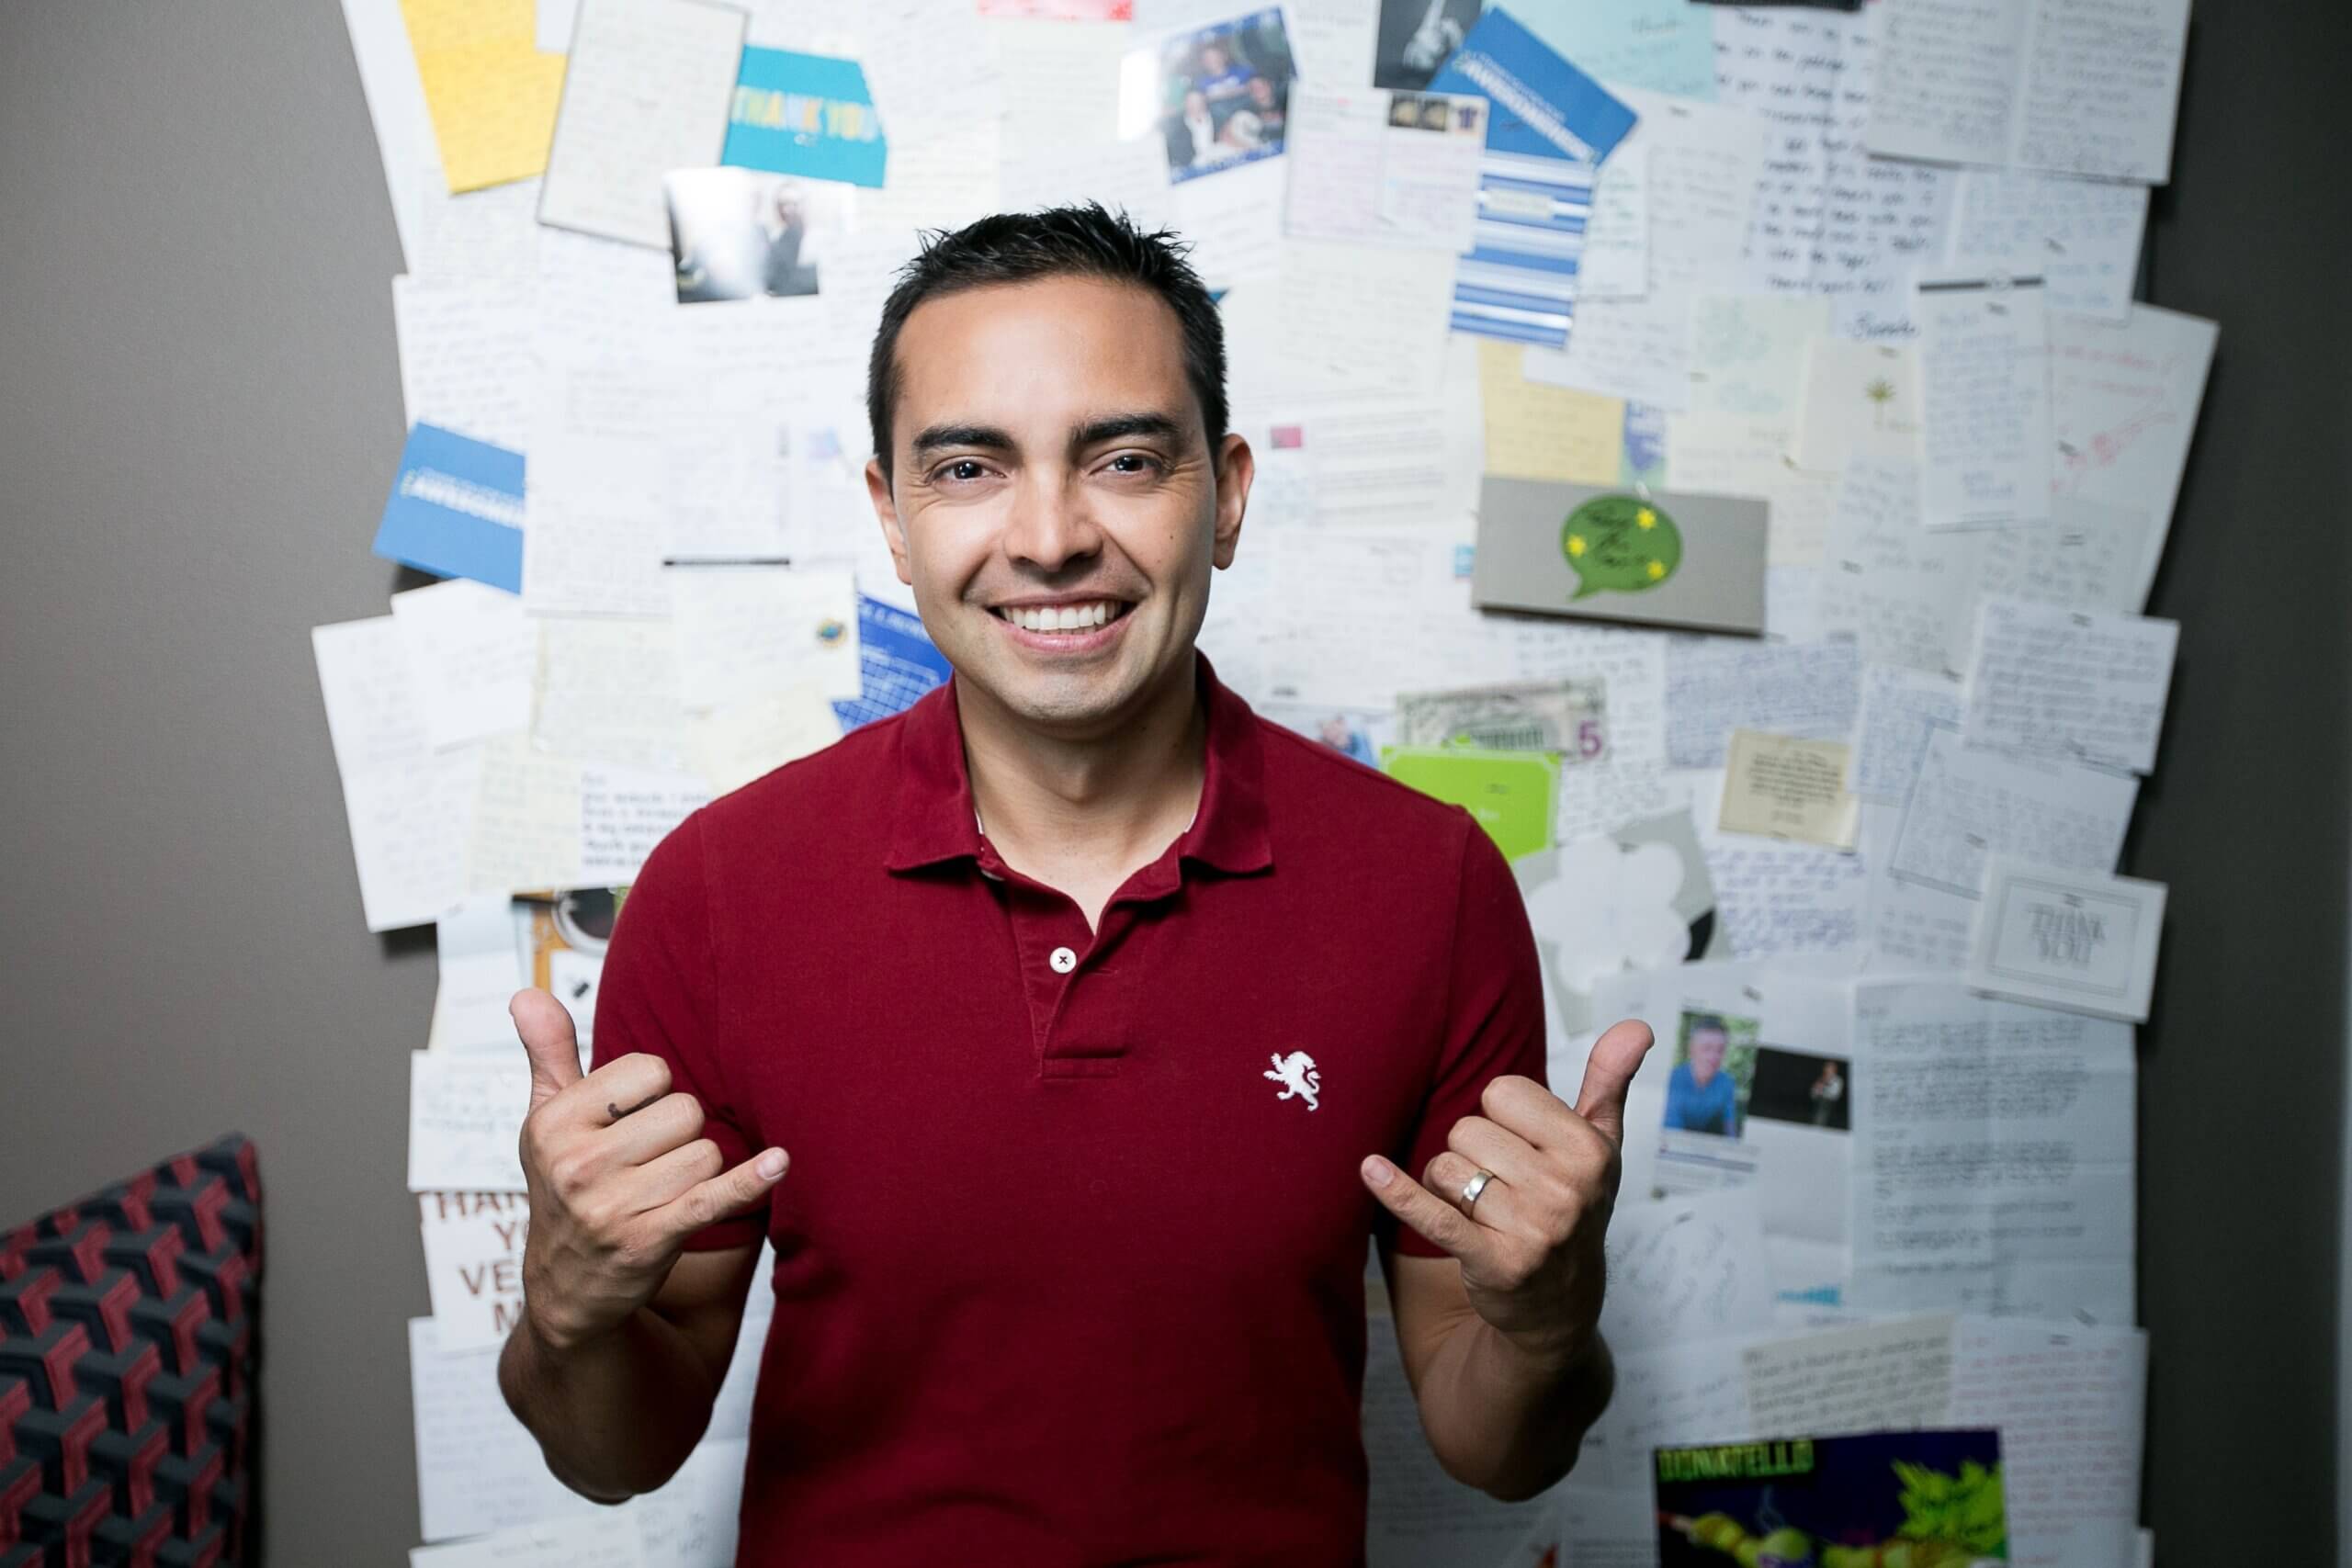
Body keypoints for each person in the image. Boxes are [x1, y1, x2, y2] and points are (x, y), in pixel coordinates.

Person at [496, 204, 1655, 1563]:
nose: (1049, 536)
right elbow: (614, 1454)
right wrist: (566, 1309)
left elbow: (1494, 1444)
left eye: (1123, 457)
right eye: (971, 465)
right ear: (891, 513)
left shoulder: (1429, 882)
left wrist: (1549, 1326)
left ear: (1224, 494)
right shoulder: (718, 889)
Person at [1662, 1015, 1741, 1137]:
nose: (1714, 1057)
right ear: (1692, 1049)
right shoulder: (1672, 1079)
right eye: (1706, 1048)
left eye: (1720, 1050)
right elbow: (1671, 1132)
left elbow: (1729, 1126)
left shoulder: (1727, 1083)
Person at [1164, 87, 1219, 171]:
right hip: (1193, 170)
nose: (1195, 106)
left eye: (1198, 101)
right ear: (1185, 103)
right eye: (1191, 102)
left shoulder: (1218, 118)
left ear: (1204, 101)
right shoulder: (1176, 128)